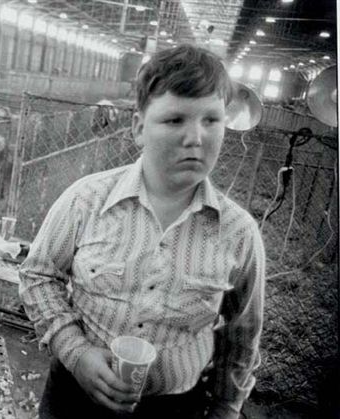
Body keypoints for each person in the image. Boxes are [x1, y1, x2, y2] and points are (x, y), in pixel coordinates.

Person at [19, 44, 265, 419]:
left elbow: (241, 335)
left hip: (175, 409)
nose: (195, 138)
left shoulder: (238, 233)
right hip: (74, 397)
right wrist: (76, 352)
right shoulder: (87, 200)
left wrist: (226, 408)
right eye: (174, 120)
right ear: (138, 128)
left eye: (211, 120)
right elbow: (38, 275)